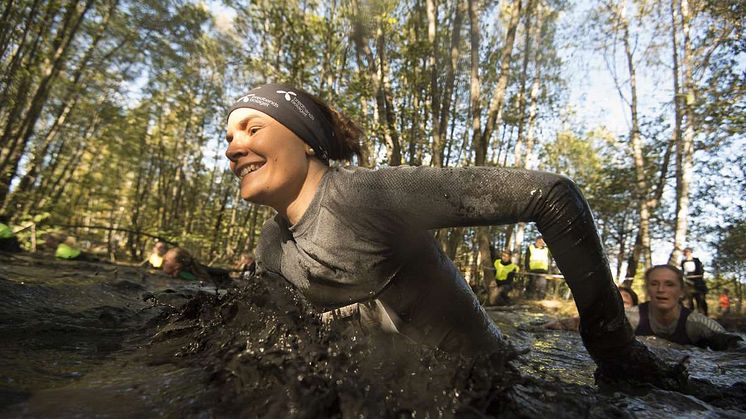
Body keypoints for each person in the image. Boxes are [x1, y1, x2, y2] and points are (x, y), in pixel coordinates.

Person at [224, 83, 683, 385]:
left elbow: (553, 195)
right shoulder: (271, 246)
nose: (233, 147)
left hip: (496, 389)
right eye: (227, 136)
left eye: (252, 128)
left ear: (306, 141)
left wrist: (613, 349)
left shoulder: (365, 195)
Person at [625, 265, 741, 350]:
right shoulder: (629, 318)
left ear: (681, 291)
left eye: (669, 284)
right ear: (647, 290)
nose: (661, 290)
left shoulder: (697, 323)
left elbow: (734, 345)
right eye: (654, 284)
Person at [162, 247, 232, 287]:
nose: (163, 262)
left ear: (177, 265)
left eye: (166, 260)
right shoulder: (182, 273)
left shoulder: (185, 276)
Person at [680, 247, 708, 316]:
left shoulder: (696, 260)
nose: (687, 254)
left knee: (700, 301)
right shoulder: (683, 262)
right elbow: (683, 272)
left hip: (698, 283)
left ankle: (703, 316)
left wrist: (699, 277)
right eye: (685, 253)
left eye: (688, 252)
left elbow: (701, 271)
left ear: (691, 253)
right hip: (687, 283)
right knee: (689, 301)